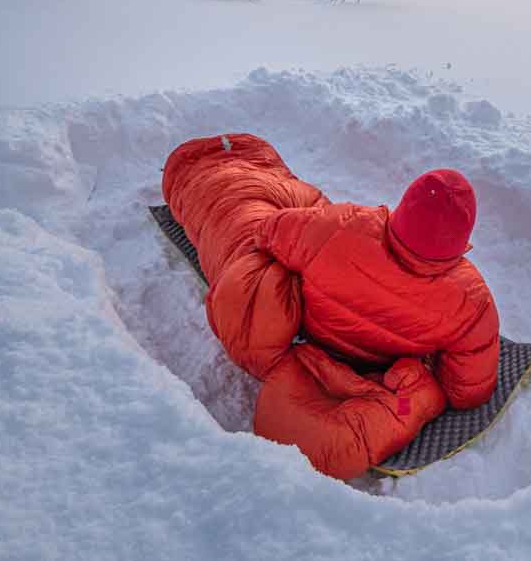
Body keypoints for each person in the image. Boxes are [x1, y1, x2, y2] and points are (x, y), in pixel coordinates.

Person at [162, 133, 500, 479]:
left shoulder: (344, 226)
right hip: (379, 372)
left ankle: (207, 173)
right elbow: (468, 391)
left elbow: (268, 231)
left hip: (305, 337)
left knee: (249, 254)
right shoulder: (472, 301)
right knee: (418, 395)